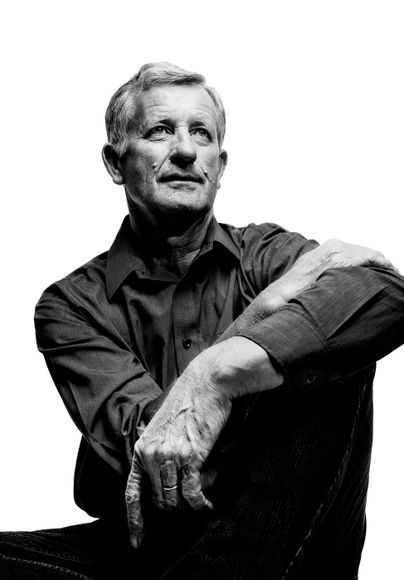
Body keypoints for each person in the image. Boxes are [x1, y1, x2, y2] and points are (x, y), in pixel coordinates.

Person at [1, 62, 403, 580]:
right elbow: (161, 456)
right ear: (116, 163)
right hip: (150, 545)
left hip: (295, 531)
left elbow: (385, 292)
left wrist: (217, 372)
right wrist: (254, 323)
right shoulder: (72, 305)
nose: (186, 151)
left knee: (328, 353)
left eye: (202, 134)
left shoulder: (267, 255)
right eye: (160, 130)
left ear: (220, 164)